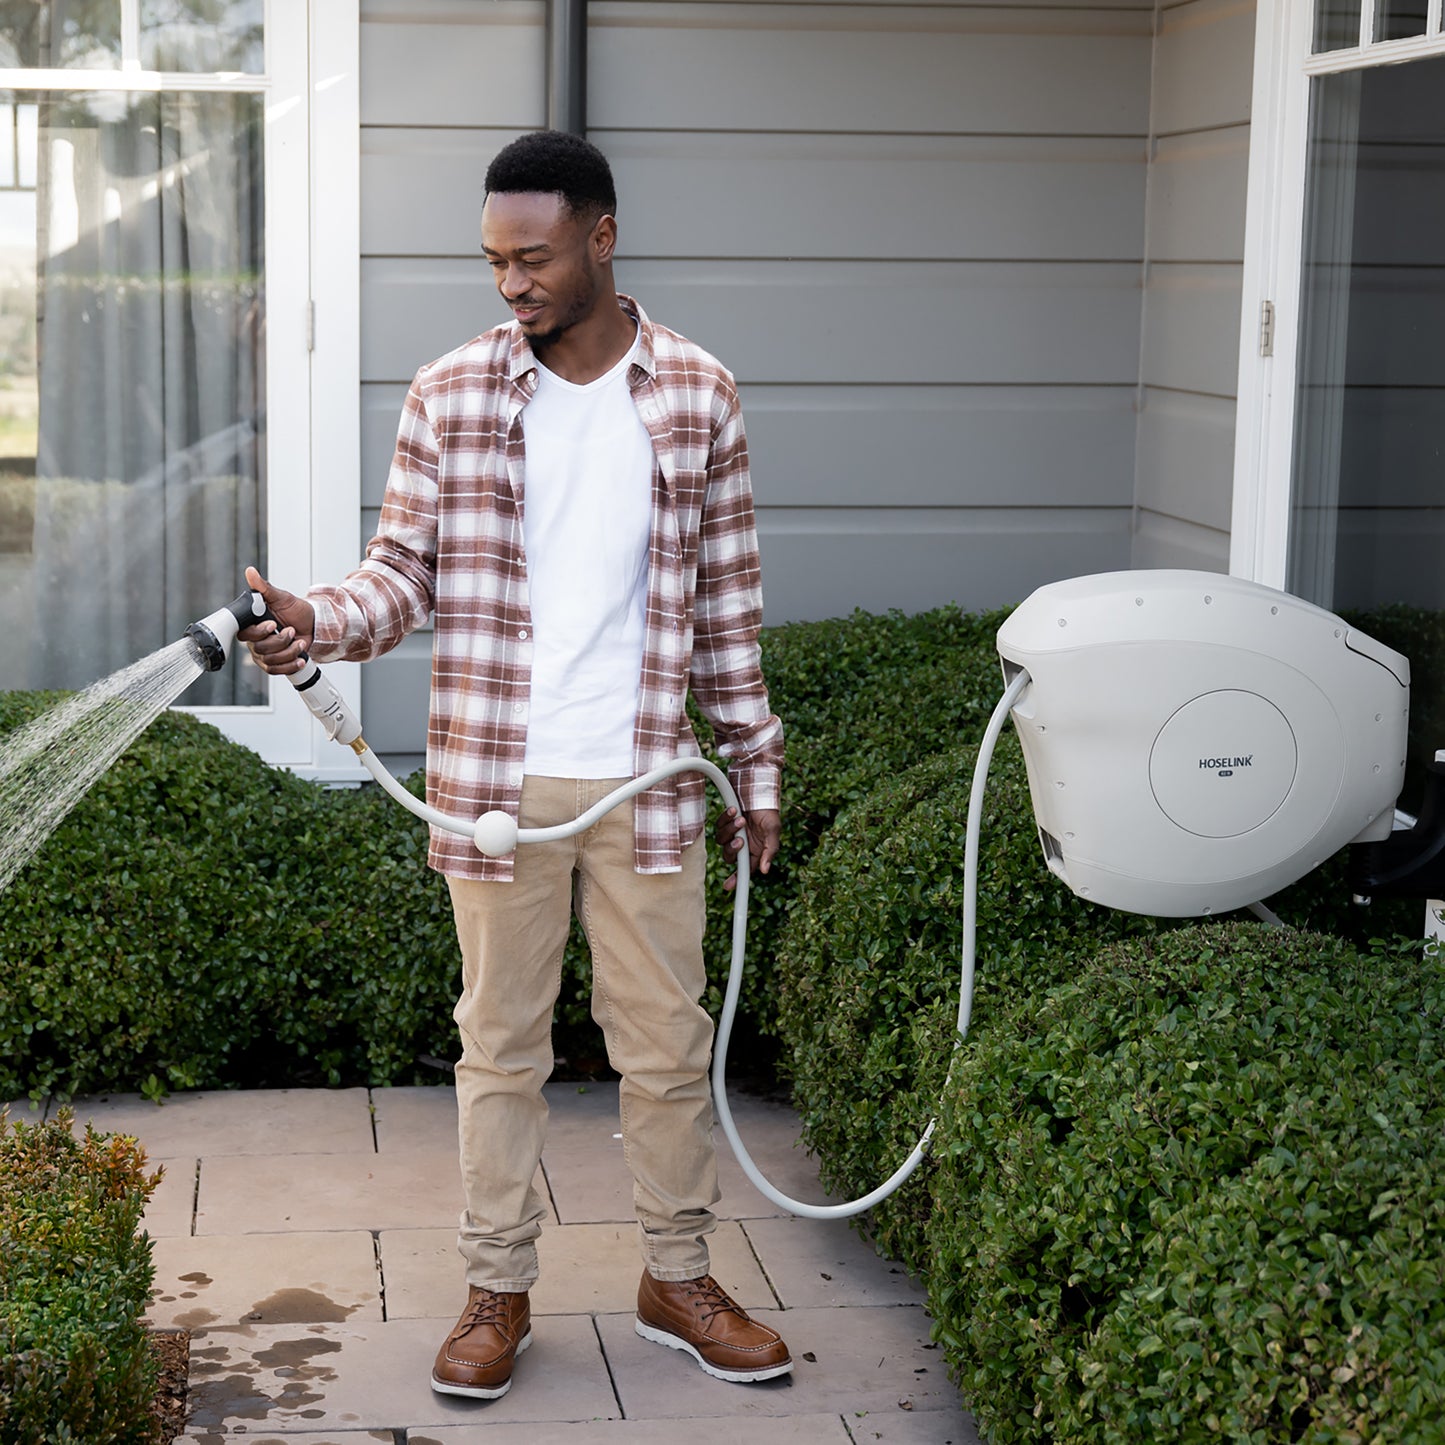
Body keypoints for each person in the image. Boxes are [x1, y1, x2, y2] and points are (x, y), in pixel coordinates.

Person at [239, 130, 790, 1400]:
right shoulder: (452, 393)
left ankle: (676, 1276)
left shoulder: (699, 394)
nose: (510, 284)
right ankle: (496, 1289)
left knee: (663, 1046)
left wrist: (752, 765)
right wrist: (316, 620)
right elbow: (404, 574)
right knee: (498, 1049)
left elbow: (726, 606)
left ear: (602, 237)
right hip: (498, 780)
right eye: (492, 260)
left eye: (532, 257)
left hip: (647, 776)